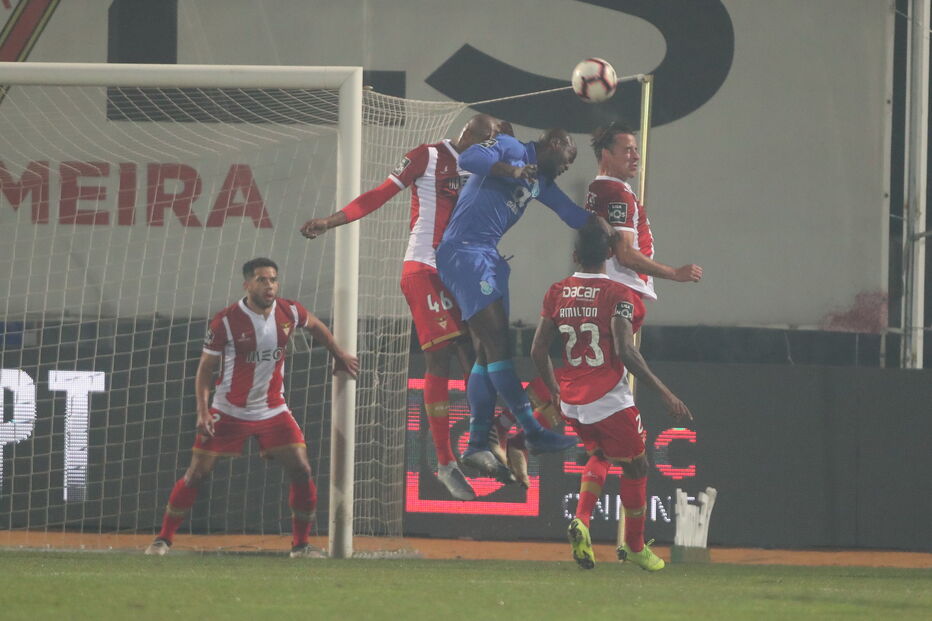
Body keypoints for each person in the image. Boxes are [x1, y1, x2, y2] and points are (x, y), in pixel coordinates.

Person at [299, 114, 501, 501]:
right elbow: (378, 194)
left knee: (474, 354)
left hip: (458, 272)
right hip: (424, 268)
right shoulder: (428, 156)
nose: (491, 147)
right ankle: (445, 462)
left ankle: (480, 442)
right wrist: (330, 221)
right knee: (441, 355)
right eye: (488, 139)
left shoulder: (484, 170)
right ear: (471, 135)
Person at [144, 258, 359, 558]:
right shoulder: (226, 320)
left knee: (302, 469)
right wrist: (203, 411)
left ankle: (300, 546)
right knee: (196, 474)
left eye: (273, 279)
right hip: (229, 410)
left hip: (273, 409)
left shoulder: (289, 311)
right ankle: (162, 540)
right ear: (247, 284)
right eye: (261, 280)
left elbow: (315, 325)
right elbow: (205, 369)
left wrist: (338, 354)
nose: (269, 285)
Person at [532, 220, 693, 571]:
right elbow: (625, 350)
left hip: (572, 400)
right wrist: (665, 392)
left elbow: (537, 350)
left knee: (600, 454)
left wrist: (555, 389)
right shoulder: (619, 295)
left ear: (575, 255)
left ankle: (581, 520)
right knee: (637, 466)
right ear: (608, 254)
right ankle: (634, 546)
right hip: (608, 398)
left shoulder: (557, 291)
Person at [435, 128, 595, 480]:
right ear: (555, 144)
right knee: (499, 347)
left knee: (486, 355)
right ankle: (531, 431)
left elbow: (571, 214)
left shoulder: (540, 182)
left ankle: (477, 443)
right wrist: (513, 171)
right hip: (464, 252)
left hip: (488, 258)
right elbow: (469, 158)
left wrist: (612, 229)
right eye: (569, 158)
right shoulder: (511, 148)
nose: (568, 166)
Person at [580, 121, 703, 556]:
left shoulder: (599, 189)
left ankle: (583, 521)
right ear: (606, 153)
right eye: (627, 149)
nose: (635, 155)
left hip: (603, 299)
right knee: (632, 449)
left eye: (636, 149)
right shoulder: (615, 193)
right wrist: (674, 273)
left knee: (603, 437)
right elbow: (626, 253)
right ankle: (632, 544)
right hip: (621, 298)